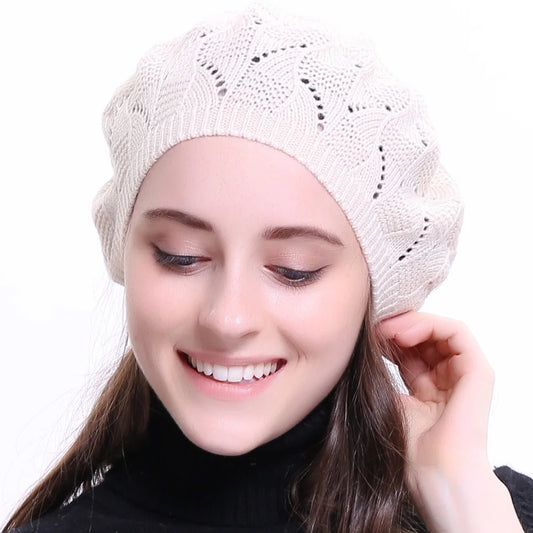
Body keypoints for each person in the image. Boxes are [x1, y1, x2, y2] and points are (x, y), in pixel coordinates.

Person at [4, 4, 532, 532]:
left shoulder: (495, 512)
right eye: (180, 256)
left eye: (293, 270)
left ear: (378, 294)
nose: (227, 319)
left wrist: (463, 498)